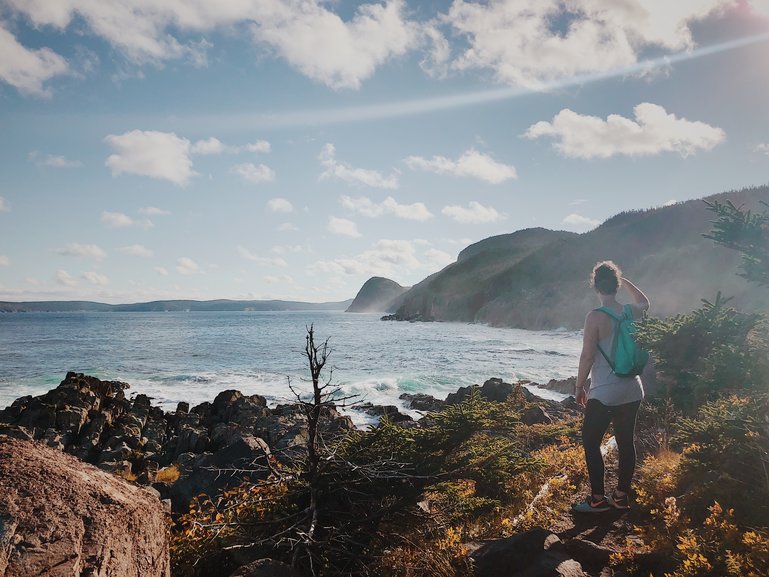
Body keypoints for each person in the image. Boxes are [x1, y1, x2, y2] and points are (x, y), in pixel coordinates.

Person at [572, 260, 649, 513]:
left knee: (591, 441)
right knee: (626, 442)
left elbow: (587, 356)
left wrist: (579, 387)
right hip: (633, 389)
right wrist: (625, 282)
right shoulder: (631, 311)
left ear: (595, 286)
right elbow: (645, 301)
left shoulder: (594, 317)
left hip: (605, 391)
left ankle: (596, 499)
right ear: (616, 286)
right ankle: (621, 496)